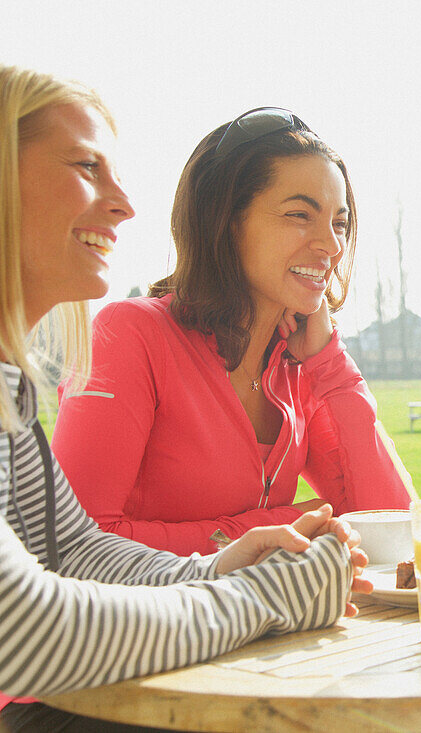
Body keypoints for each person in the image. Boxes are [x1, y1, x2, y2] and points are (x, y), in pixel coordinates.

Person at [0, 65, 370, 731]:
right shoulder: (135, 333)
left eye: (339, 220)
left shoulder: (9, 388)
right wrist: (258, 593)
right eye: (86, 166)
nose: (125, 204)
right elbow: (24, 629)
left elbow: (72, 548)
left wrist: (222, 563)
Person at [50, 106, 409, 556]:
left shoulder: (295, 366)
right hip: (146, 626)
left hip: (269, 626)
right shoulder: (130, 334)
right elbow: (73, 546)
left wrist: (330, 362)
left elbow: (393, 527)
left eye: (339, 223)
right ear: (225, 222)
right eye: (300, 215)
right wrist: (272, 527)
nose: (332, 245)